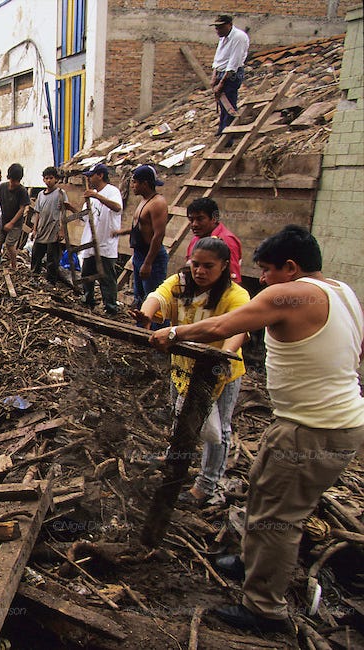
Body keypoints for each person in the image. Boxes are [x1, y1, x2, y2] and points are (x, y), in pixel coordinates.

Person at [148, 225, 364, 634]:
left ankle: (265, 608)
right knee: (262, 489)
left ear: (291, 267)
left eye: (266, 270)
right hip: (322, 422)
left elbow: (222, 327)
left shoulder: (289, 294)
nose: (261, 279)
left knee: (280, 518)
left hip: (314, 429)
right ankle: (250, 561)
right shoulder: (343, 292)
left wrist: (173, 333)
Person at [133, 238, 249, 504]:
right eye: (195, 264)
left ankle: (206, 485)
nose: (200, 271)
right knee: (179, 416)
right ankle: (175, 459)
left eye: (208, 266)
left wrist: (226, 355)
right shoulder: (181, 284)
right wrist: (146, 315)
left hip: (221, 373)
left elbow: (240, 328)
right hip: (183, 367)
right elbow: (157, 297)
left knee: (217, 431)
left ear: (224, 266)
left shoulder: (235, 295)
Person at [77, 162, 123, 315]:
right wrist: (71, 208)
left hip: (105, 244)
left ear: (100, 175)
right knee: (87, 275)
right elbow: (85, 217)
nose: (89, 179)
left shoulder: (112, 191)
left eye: (91, 176)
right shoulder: (91, 195)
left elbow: (117, 207)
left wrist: (96, 196)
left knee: (107, 278)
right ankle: (88, 300)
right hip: (90, 242)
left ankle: (110, 307)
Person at [121, 165, 168, 311]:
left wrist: (148, 263)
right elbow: (142, 227)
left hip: (151, 257)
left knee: (153, 299)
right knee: (140, 298)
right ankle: (141, 324)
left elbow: (158, 234)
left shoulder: (157, 203)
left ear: (145, 184)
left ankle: (156, 325)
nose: (132, 186)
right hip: (139, 254)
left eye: (135, 182)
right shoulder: (144, 200)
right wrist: (122, 232)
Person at [211, 15, 250, 140]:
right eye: (216, 28)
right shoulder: (223, 37)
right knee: (223, 104)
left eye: (221, 28)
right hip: (221, 72)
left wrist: (221, 83)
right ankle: (222, 130)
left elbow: (233, 63)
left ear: (229, 25)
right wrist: (214, 76)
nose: (218, 31)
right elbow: (218, 58)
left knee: (229, 104)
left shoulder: (238, 37)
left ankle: (228, 137)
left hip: (232, 74)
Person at [186, 197, 243, 282]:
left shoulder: (227, 240)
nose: (194, 224)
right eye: (191, 220)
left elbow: (233, 279)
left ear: (214, 218)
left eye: (200, 219)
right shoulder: (196, 239)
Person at [0, 163, 32, 272]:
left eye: (16, 181)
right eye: (12, 180)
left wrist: (12, 223)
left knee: (9, 244)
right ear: (9, 178)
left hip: (16, 223)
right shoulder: (3, 187)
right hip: (4, 220)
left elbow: (22, 209)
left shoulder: (22, 191)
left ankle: (14, 265)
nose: (14, 184)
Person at [30, 166, 67, 285]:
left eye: (51, 178)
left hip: (53, 230)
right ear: (43, 180)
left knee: (52, 259)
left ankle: (51, 282)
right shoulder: (41, 194)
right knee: (36, 255)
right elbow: (37, 213)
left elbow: (63, 212)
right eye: (46, 178)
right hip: (41, 230)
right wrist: (34, 230)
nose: (48, 180)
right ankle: (34, 277)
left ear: (56, 179)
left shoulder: (60, 193)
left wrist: (61, 230)